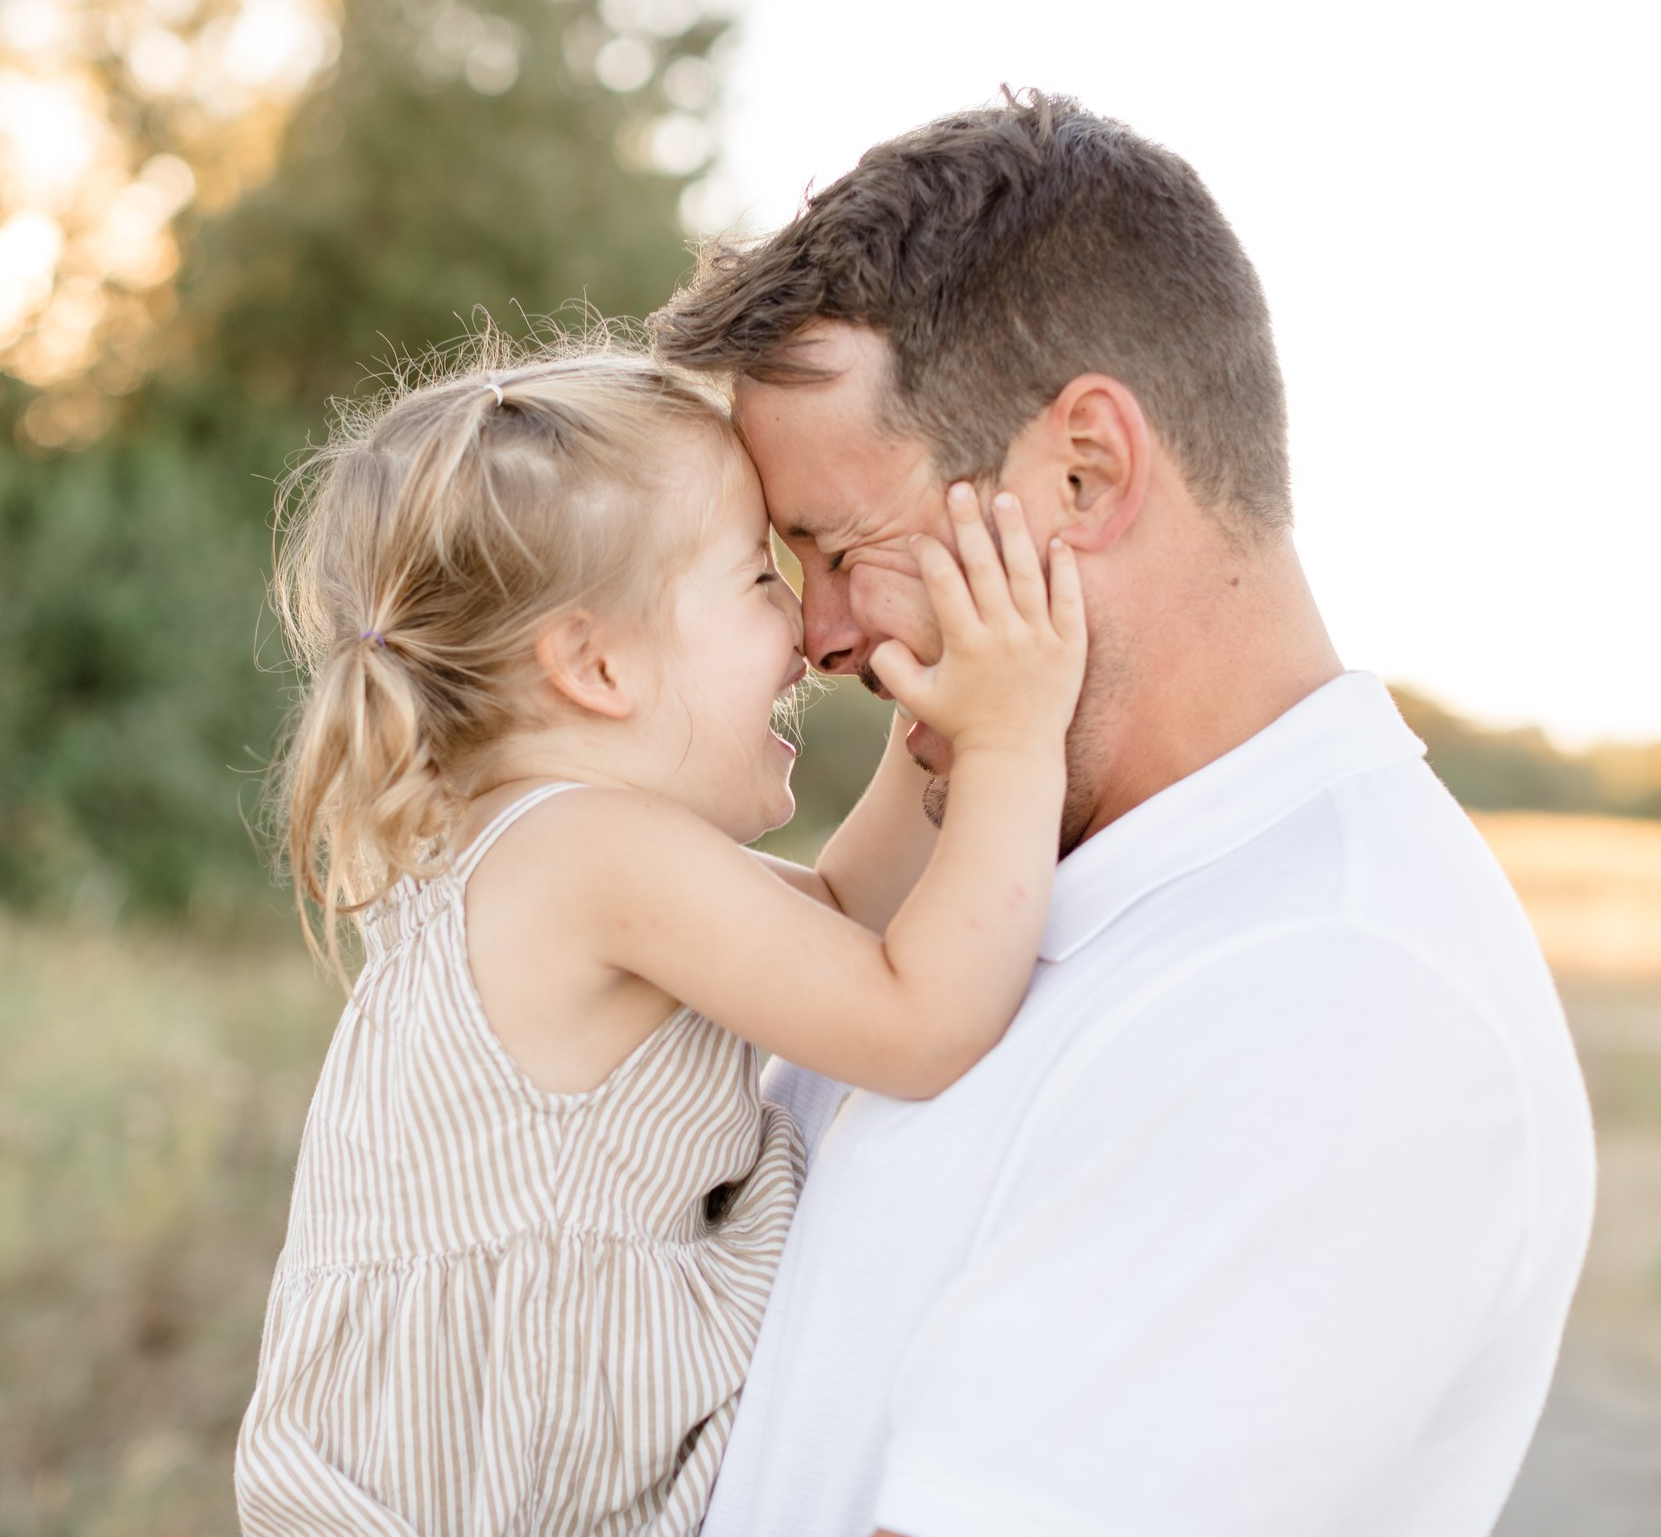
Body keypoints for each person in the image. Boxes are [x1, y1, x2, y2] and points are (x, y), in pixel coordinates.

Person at [651, 93, 1599, 1537]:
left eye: (843, 548)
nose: (819, 635)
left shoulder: (1332, 998)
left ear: (1086, 470)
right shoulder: (991, 862)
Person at [233, 337, 1086, 1535]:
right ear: (595, 666)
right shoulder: (589, 856)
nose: (804, 629)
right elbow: (917, 1014)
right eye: (754, 579)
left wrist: (931, 705)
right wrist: (1011, 736)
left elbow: (843, 917)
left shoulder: (526, 847)